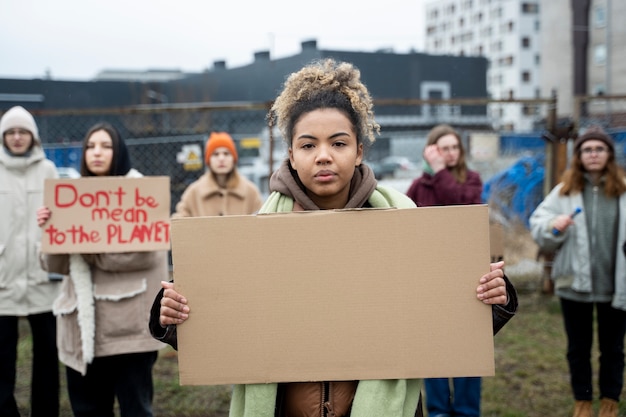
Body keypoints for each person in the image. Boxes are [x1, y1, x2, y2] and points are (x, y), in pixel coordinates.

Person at [150, 58, 518, 417]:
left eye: (338, 144)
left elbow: (445, 324)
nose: (323, 156)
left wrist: (491, 299)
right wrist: (174, 318)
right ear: (291, 155)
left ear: (359, 151)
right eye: (308, 145)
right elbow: (225, 334)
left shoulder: (405, 226)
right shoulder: (254, 238)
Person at [36, 122, 168, 417]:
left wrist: (87, 246)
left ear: (118, 152)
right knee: (88, 410)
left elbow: (147, 254)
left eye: (106, 146)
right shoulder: (67, 199)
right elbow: (56, 266)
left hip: (128, 331)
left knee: (136, 409)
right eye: (91, 146)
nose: (97, 152)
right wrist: (49, 230)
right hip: (81, 329)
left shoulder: (142, 195)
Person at [529, 126, 626, 417]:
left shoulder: (622, 188)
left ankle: (610, 400)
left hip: (616, 283)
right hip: (574, 282)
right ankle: (582, 401)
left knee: (613, 349)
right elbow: (539, 225)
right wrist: (553, 226)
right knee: (578, 348)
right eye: (587, 149)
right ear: (578, 156)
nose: (593, 154)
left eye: (599, 149)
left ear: (609, 154)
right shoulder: (565, 190)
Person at [406, 124, 484, 417]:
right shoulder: (417, 186)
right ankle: (438, 410)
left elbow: (461, 208)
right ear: (431, 150)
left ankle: (466, 410)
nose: (450, 153)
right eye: (443, 148)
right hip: (428, 278)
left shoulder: (472, 181)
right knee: (433, 345)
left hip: (467, 278)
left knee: (466, 346)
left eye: (454, 147)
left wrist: (439, 172)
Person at [0, 106, 60, 417]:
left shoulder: (48, 170)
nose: (17, 137)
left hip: (42, 278)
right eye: (11, 132)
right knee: (2, 360)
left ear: (33, 136)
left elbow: (63, 216)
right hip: (3, 281)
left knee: (48, 357)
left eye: (23, 132)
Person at [173, 131, 263, 218]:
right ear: (208, 160)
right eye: (215, 154)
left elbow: (261, 223)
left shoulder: (250, 192)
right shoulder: (194, 192)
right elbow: (178, 223)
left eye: (226, 153)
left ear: (233, 159)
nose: (221, 158)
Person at [406, 124, 482, 207]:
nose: (452, 153)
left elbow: (460, 206)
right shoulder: (419, 185)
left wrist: (440, 171)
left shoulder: (471, 178)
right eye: (445, 149)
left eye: (455, 147)